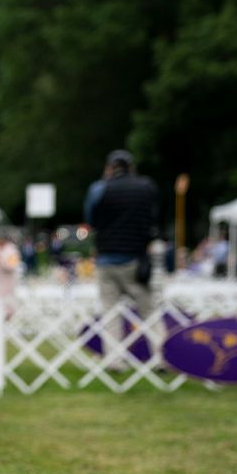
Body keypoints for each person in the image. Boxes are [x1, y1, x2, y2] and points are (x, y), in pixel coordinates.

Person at [85, 149, 160, 360]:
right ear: (131, 167)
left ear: (109, 168)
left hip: (107, 258)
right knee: (149, 311)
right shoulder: (146, 187)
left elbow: (91, 219)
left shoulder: (99, 188)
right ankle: (162, 357)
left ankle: (114, 361)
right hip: (136, 259)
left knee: (110, 314)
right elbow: (153, 218)